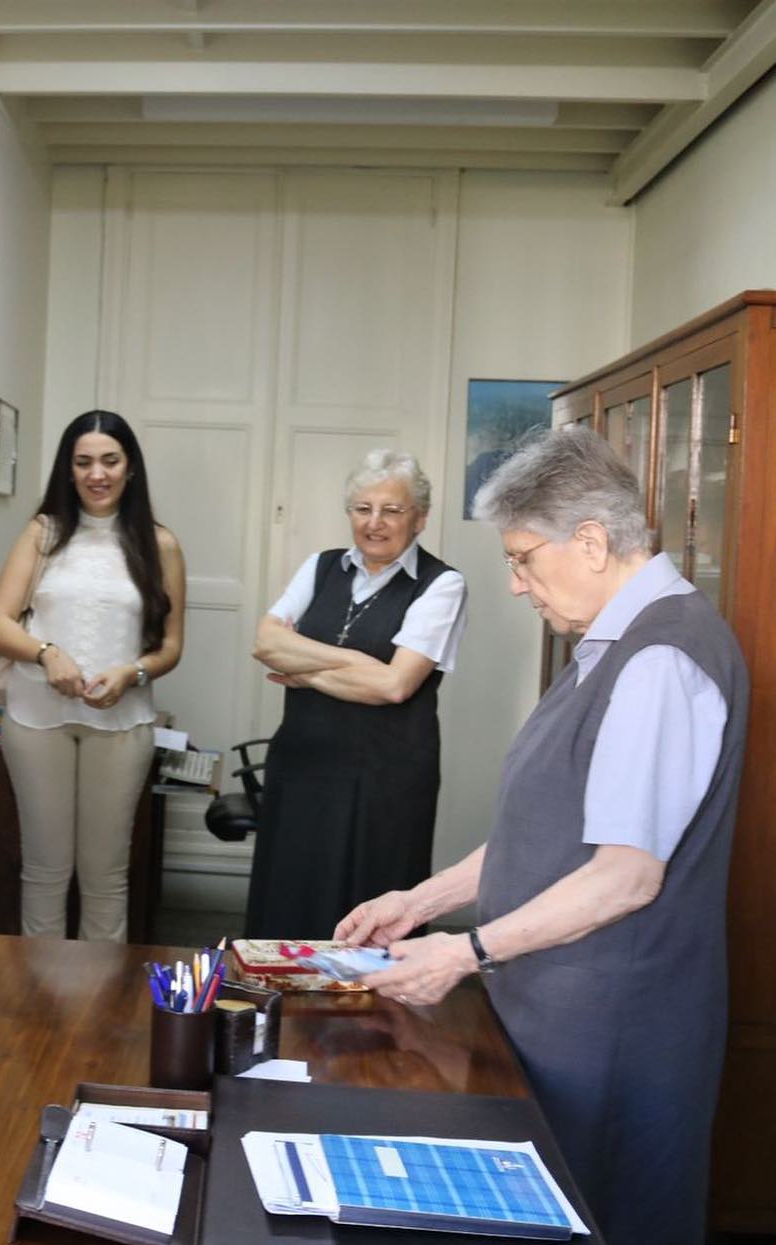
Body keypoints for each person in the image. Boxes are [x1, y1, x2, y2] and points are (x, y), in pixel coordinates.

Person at [337, 428, 749, 1245]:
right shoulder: (605, 643)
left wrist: (462, 952)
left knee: (605, 1216)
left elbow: (623, 878)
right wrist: (420, 901)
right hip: (559, 1008)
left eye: (524, 558)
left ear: (591, 542)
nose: (519, 585)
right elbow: (550, 832)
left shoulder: (660, 658)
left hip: (615, 1027)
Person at [247, 449, 466, 939]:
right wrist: (352, 666)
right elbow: (265, 642)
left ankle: (370, 1016)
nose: (375, 522)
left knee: (371, 919)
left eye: (392, 510)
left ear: (420, 518)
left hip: (386, 781)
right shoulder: (321, 567)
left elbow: (396, 685)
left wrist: (306, 670)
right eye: (363, 509)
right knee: (288, 904)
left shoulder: (442, 585)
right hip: (303, 766)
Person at [0, 410, 185, 942]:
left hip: (122, 724)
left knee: (106, 878)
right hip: (36, 720)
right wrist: (46, 652)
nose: (98, 474)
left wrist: (133, 671)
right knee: (45, 873)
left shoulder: (160, 545)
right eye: (84, 462)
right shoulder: (42, 534)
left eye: (110, 461)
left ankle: (98, 1012)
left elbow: (170, 648)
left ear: (131, 468)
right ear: (68, 470)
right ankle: (40, 1010)